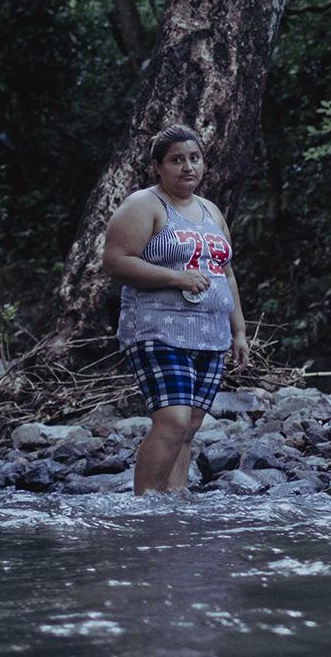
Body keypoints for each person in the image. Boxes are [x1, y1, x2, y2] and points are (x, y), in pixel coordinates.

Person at [102, 124, 251, 494]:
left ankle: (175, 503)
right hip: (158, 330)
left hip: (210, 334)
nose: (188, 167)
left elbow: (226, 274)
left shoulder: (212, 211)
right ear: (158, 166)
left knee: (190, 425)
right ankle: (146, 507)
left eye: (194, 158)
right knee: (172, 420)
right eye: (177, 160)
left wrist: (239, 331)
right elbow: (116, 262)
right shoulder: (144, 204)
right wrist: (177, 278)